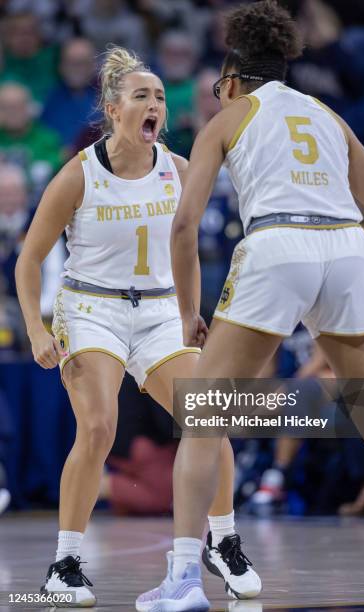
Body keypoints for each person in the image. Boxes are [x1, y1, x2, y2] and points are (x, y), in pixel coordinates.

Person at [137, 2, 364, 610]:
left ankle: (184, 580)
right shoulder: (327, 114)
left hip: (277, 242)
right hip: (348, 247)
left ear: (233, 79)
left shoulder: (230, 115)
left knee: (206, 414)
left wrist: (189, 312)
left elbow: (185, 225)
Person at [15, 46, 261, 607]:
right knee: (99, 426)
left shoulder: (177, 170)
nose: (155, 105)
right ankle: (66, 563)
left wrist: (189, 312)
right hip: (90, 308)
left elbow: (189, 247)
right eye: (142, 96)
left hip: (158, 309)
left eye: (160, 98)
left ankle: (222, 542)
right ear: (112, 106)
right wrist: (35, 327)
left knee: (207, 415)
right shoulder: (79, 174)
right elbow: (28, 260)